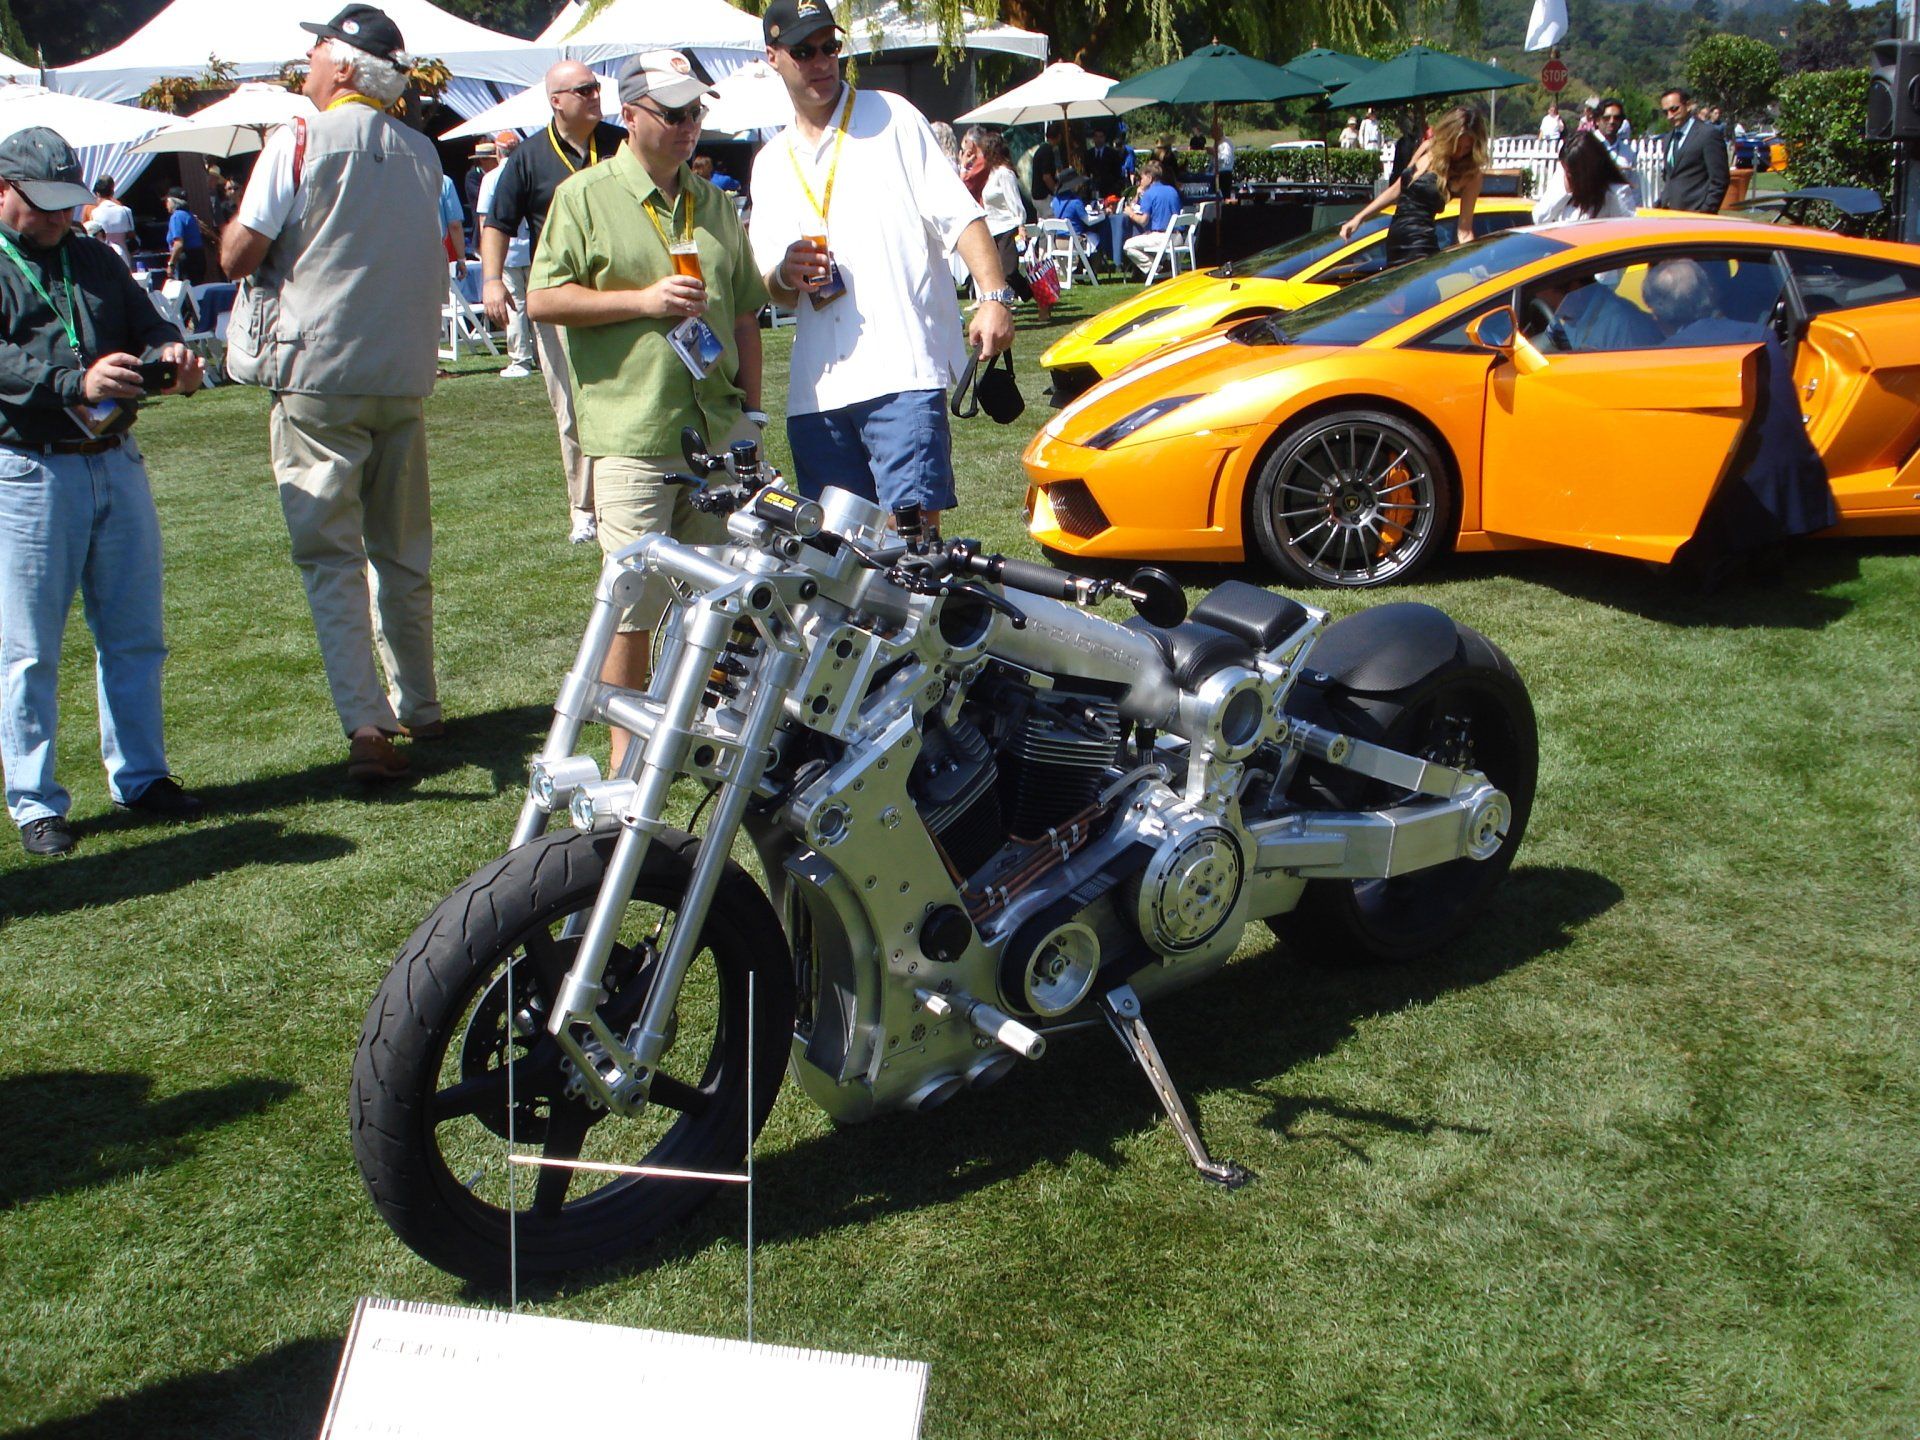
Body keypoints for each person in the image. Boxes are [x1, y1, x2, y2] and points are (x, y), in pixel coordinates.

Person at [221, 4, 446, 783]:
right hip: (401, 372)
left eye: (317, 50)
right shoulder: (422, 152)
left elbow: (238, 253)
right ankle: (421, 703)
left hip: (316, 371)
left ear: (343, 65)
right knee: (403, 551)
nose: (308, 63)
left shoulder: (298, 139)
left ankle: (367, 722)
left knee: (332, 556)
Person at [527, 50, 767, 767]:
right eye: (673, 113)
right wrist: (643, 301)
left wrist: (752, 417)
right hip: (635, 433)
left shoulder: (714, 202)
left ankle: (703, 739)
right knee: (632, 605)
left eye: (696, 112)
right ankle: (625, 757)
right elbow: (543, 299)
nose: (689, 125)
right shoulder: (584, 197)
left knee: (726, 594)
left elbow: (746, 316)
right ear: (628, 115)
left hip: (718, 429)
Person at [0, 126, 207, 856]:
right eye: (45, 204)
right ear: (4, 190)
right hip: (29, 467)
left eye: (68, 202)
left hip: (114, 456)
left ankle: (142, 777)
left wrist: (170, 354)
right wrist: (73, 382)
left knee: (134, 634)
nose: (62, 216)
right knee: (28, 649)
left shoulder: (92, 255)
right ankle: (35, 801)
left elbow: (148, 325)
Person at [747, 0, 1014, 528]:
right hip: (817, 392)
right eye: (804, 51)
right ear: (773, 57)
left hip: (901, 371)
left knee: (913, 543)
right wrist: (785, 273)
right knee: (835, 549)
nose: (821, 61)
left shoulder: (892, 116)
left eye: (829, 47)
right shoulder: (770, 161)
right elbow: (769, 285)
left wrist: (993, 296)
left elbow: (959, 215)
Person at [482, 61, 625, 544]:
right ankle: (584, 507)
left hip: (620, 288)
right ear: (556, 101)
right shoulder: (529, 157)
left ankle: (624, 495)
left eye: (596, 87)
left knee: (626, 394)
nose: (594, 95)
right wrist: (492, 280)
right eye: (583, 89)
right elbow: (498, 222)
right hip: (561, 296)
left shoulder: (620, 144)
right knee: (571, 404)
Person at [1340, 104, 1487, 262]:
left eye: (1467, 148)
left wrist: (1475, 264)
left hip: (1420, 246)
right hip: (1394, 243)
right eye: (1457, 145)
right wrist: (1359, 218)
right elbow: (1396, 190)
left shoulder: (1471, 174)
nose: (1460, 152)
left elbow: (1464, 230)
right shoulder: (1427, 149)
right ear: (1448, 136)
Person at [474, 131, 535, 379]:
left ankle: (521, 359)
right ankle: (546, 357)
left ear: (498, 152)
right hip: (532, 249)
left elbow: (485, 221)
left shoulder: (490, 178)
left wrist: (486, 256)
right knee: (538, 305)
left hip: (506, 253)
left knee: (515, 307)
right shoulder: (530, 170)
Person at [962, 126, 1023, 284]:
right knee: (998, 273)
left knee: (1009, 271)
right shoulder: (991, 173)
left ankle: (1031, 294)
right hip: (993, 228)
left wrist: (1021, 224)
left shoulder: (1005, 173)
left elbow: (1014, 201)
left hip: (1007, 228)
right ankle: (1009, 297)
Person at [1532, 131, 1635, 223]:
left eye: (1572, 172)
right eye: (1565, 169)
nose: (1567, 174)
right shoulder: (1561, 177)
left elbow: (1628, 231)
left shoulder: (1616, 193)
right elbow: (1539, 219)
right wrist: (1565, 192)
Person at [1656, 86, 1728, 213]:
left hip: (1696, 214)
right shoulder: (1668, 139)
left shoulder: (1707, 134)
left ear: (1688, 105)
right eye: (1665, 112)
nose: (1670, 116)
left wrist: (1706, 212)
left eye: (1674, 109)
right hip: (1669, 214)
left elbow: (1719, 180)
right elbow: (1670, 177)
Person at [1121, 158, 1181, 276]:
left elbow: (1143, 221)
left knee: (1128, 245)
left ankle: (1156, 268)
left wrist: (1130, 213)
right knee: (1147, 237)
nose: (1140, 182)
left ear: (1149, 177)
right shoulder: (1172, 190)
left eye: (1142, 178)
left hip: (1163, 239)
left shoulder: (1149, 193)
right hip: (1177, 237)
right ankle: (1164, 266)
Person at [1593, 98, 1640, 203]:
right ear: (1597, 121)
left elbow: (1635, 189)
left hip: (1620, 209)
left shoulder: (1628, 152)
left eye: (1617, 118)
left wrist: (1638, 208)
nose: (1612, 121)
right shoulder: (1587, 147)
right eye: (1606, 118)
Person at [88, 176, 135, 267]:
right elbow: (131, 235)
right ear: (112, 192)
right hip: (123, 254)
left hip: (103, 255)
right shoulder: (126, 211)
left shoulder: (94, 213)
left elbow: (91, 236)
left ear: (97, 193)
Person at [163, 189, 205, 285]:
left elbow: (178, 244)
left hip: (186, 260)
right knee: (196, 288)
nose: (166, 204)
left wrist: (171, 264)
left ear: (173, 202)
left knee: (185, 290)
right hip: (198, 257)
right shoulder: (189, 215)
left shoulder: (176, 217)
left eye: (167, 201)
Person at [1028, 121, 1062, 202]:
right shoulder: (1047, 151)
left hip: (1038, 195)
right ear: (1059, 136)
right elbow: (1046, 176)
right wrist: (1056, 192)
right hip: (1043, 196)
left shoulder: (1043, 149)